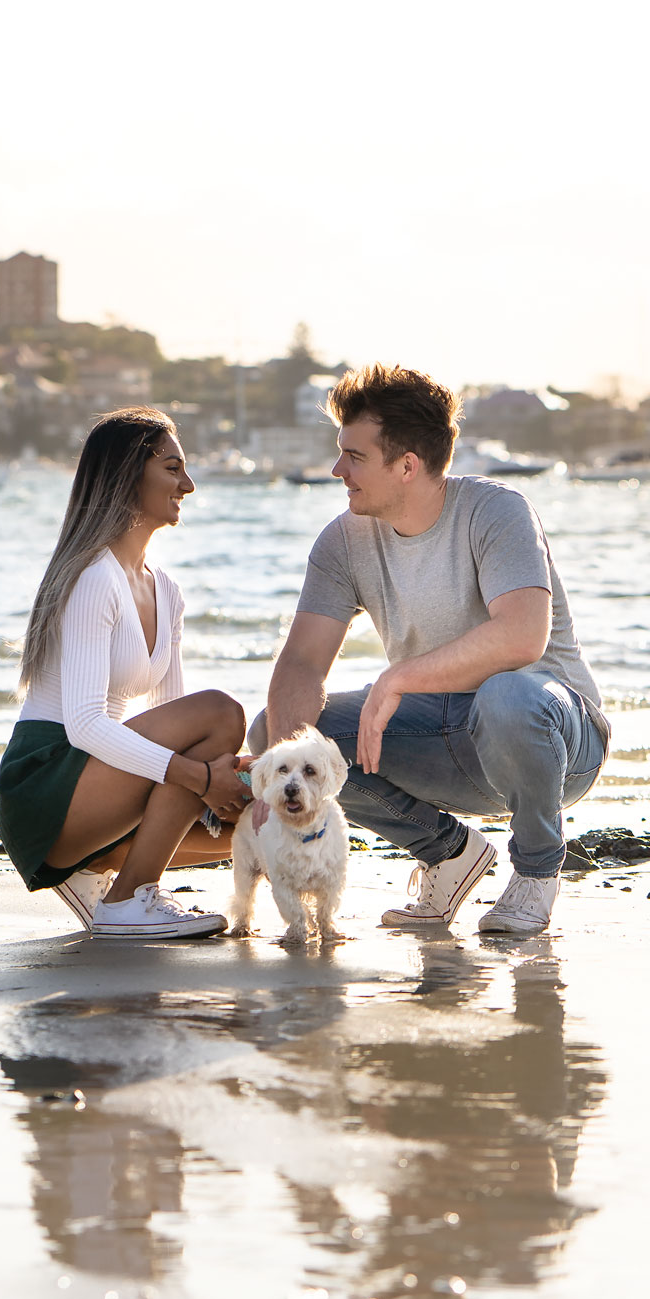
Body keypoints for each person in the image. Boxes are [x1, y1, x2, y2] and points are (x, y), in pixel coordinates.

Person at [258, 364, 609, 936]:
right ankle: (449, 855)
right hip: (446, 743)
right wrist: (274, 781)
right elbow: (300, 664)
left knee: (507, 693)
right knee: (279, 736)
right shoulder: (342, 541)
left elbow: (523, 637)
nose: (336, 469)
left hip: (556, 740)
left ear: (407, 466)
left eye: (354, 456)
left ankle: (537, 872)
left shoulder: (497, 511)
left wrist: (397, 680)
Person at [0, 408, 247, 939]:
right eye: (173, 468)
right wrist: (201, 778)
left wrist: (224, 784)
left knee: (257, 823)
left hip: (97, 789)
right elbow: (86, 726)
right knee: (222, 712)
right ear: (129, 472)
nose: (189, 484)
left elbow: (175, 722)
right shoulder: (93, 578)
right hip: (47, 783)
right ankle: (130, 897)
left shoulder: (166, 590)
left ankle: (104, 874)